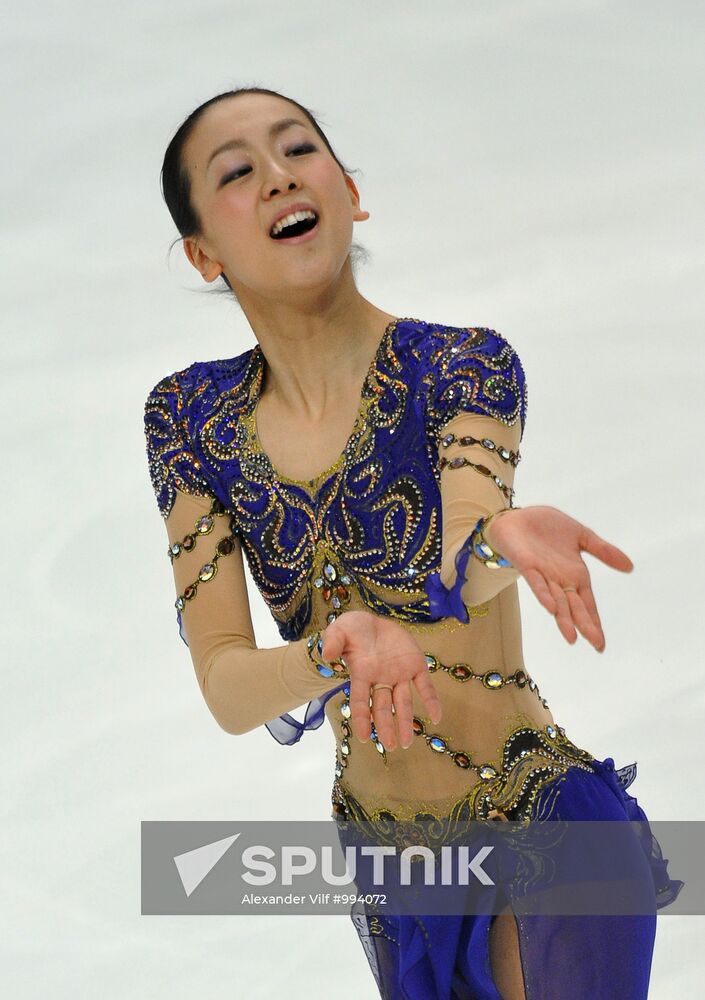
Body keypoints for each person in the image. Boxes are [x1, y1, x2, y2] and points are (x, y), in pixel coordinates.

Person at [143, 87, 684, 999]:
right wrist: (328, 650)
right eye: (237, 173)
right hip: (393, 865)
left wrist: (504, 539)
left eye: (299, 151)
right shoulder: (189, 419)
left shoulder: (459, 365)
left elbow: (461, 566)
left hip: (543, 826)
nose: (278, 178)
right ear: (201, 253)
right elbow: (229, 686)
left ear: (350, 192)